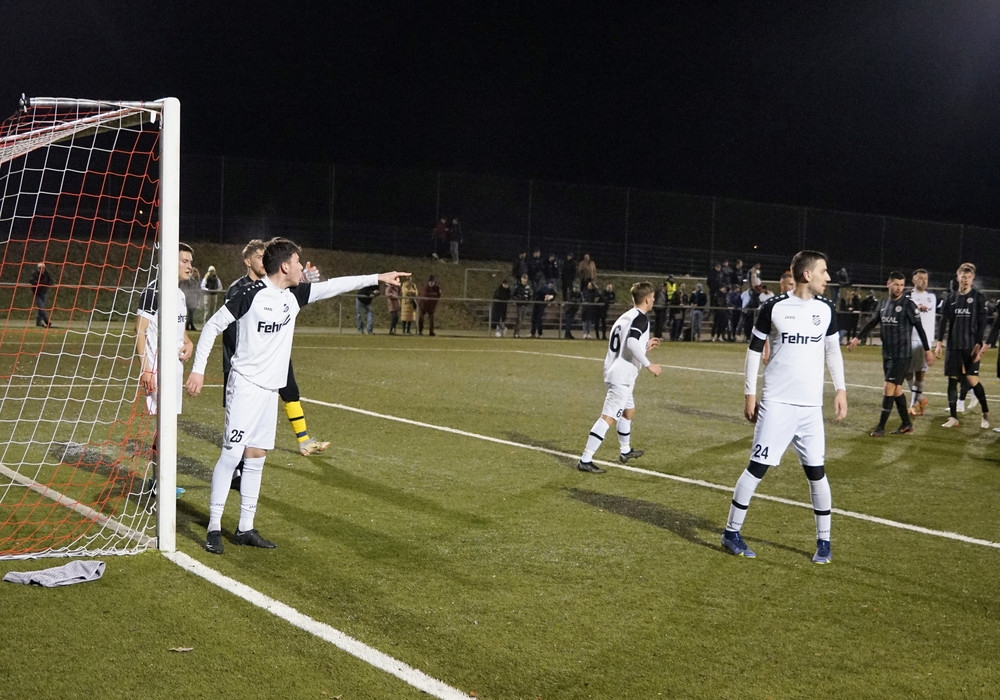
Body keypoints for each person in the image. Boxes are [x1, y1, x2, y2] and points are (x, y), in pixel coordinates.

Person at [185, 237, 406, 554]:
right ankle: (214, 528)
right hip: (245, 386)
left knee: (256, 457)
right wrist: (198, 370)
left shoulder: (295, 294)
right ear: (285, 267)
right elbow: (211, 327)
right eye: (298, 262)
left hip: (269, 391)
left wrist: (377, 277)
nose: (302, 266)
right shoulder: (249, 294)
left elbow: (334, 286)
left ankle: (245, 528)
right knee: (232, 456)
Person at [721, 250, 847, 564]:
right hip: (777, 403)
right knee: (757, 468)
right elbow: (753, 350)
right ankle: (731, 533)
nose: (828, 277)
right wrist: (750, 394)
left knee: (817, 473)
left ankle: (824, 542)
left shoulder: (826, 308)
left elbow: (833, 351)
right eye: (823, 271)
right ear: (807, 274)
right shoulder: (774, 307)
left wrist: (841, 389)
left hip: (810, 408)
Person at [221, 239, 330, 459]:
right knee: (240, 428)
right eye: (258, 257)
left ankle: (304, 440)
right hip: (246, 364)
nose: (263, 261)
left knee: (291, 392)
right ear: (247, 261)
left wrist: (303, 278)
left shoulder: (275, 288)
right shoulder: (239, 289)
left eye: (265, 256)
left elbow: (292, 290)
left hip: (275, 357)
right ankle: (236, 457)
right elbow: (230, 330)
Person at [576, 281, 661, 473]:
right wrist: (649, 365)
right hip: (621, 377)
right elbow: (630, 342)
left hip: (615, 372)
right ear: (647, 299)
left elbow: (625, 343)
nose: (654, 300)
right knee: (607, 418)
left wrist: (644, 346)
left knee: (628, 411)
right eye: (653, 297)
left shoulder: (625, 317)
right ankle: (585, 459)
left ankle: (625, 450)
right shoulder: (641, 319)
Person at [135, 243, 196, 498]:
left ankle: (160, 481)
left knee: (166, 429)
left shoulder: (179, 294)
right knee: (166, 428)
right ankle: (160, 482)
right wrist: (146, 370)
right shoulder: (154, 292)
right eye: (184, 261)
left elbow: (179, 330)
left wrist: (189, 342)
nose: (190, 266)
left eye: (191, 261)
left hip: (174, 370)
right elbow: (139, 331)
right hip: (158, 372)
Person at [848, 271, 935, 437]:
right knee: (896, 390)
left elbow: (920, 329)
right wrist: (857, 338)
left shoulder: (908, 305)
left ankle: (880, 427)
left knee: (888, 387)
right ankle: (907, 424)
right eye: (896, 284)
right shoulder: (883, 303)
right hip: (887, 354)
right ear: (889, 284)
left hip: (902, 355)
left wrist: (927, 350)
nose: (899, 288)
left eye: (902, 285)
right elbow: (873, 322)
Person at [934, 262, 990, 429]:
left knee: (972, 380)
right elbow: (943, 321)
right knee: (952, 381)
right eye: (963, 277)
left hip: (970, 346)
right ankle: (953, 417)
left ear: (972, 279)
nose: (965, 280)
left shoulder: (978, 297)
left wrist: (979, 343)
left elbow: (982, 322)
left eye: (969, 277)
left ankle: (985, 412)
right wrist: (939, 343)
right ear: (958, 277)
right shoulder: (951, 298)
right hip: (953, 346)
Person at [905, 269, 936, 415]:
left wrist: (933, 343)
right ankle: (920, 399)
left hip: (924, 341)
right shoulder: (907, 296)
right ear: (913, 280)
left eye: (926, 279)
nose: (923, 281)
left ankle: (913, 405)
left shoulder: (931, 298)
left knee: (920, 374)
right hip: (908, 338)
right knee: (906, 373)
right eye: (920, 278)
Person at [29, 262, 55, 328]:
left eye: (43, 268)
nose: (42, 269)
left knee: (40, 308)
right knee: (41, 307)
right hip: (37, 293)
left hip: (44, 292)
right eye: (40, 268)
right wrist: (39, 284)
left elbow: (51, 281)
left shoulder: (46, 273)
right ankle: (47, 321)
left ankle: (38, 322)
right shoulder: (35, 273)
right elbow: (31, 280)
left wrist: (47, 284)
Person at [511, 273, 533, 338]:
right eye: (524, 278)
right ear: (521, 279)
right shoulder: (518, 286)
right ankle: (516, 333)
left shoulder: (528, 287)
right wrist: (517, 299)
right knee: (519, 319)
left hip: (525, 305)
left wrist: (528, 300)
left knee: (521, 320)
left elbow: (530, 295)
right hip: (519, 305)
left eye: (526, 278)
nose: (525, 280)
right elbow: (513, 294)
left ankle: (517, 333)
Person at [181, 265, 201, 330]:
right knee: (189, 312)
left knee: (191, 313)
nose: (194, 273)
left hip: (194, 298)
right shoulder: (188, 279)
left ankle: (189, 324)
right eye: (193, 272)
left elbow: (198, 290)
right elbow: (185, 287)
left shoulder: (197, 281)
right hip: (189, 298)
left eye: (195, 272)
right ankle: (188, 325)